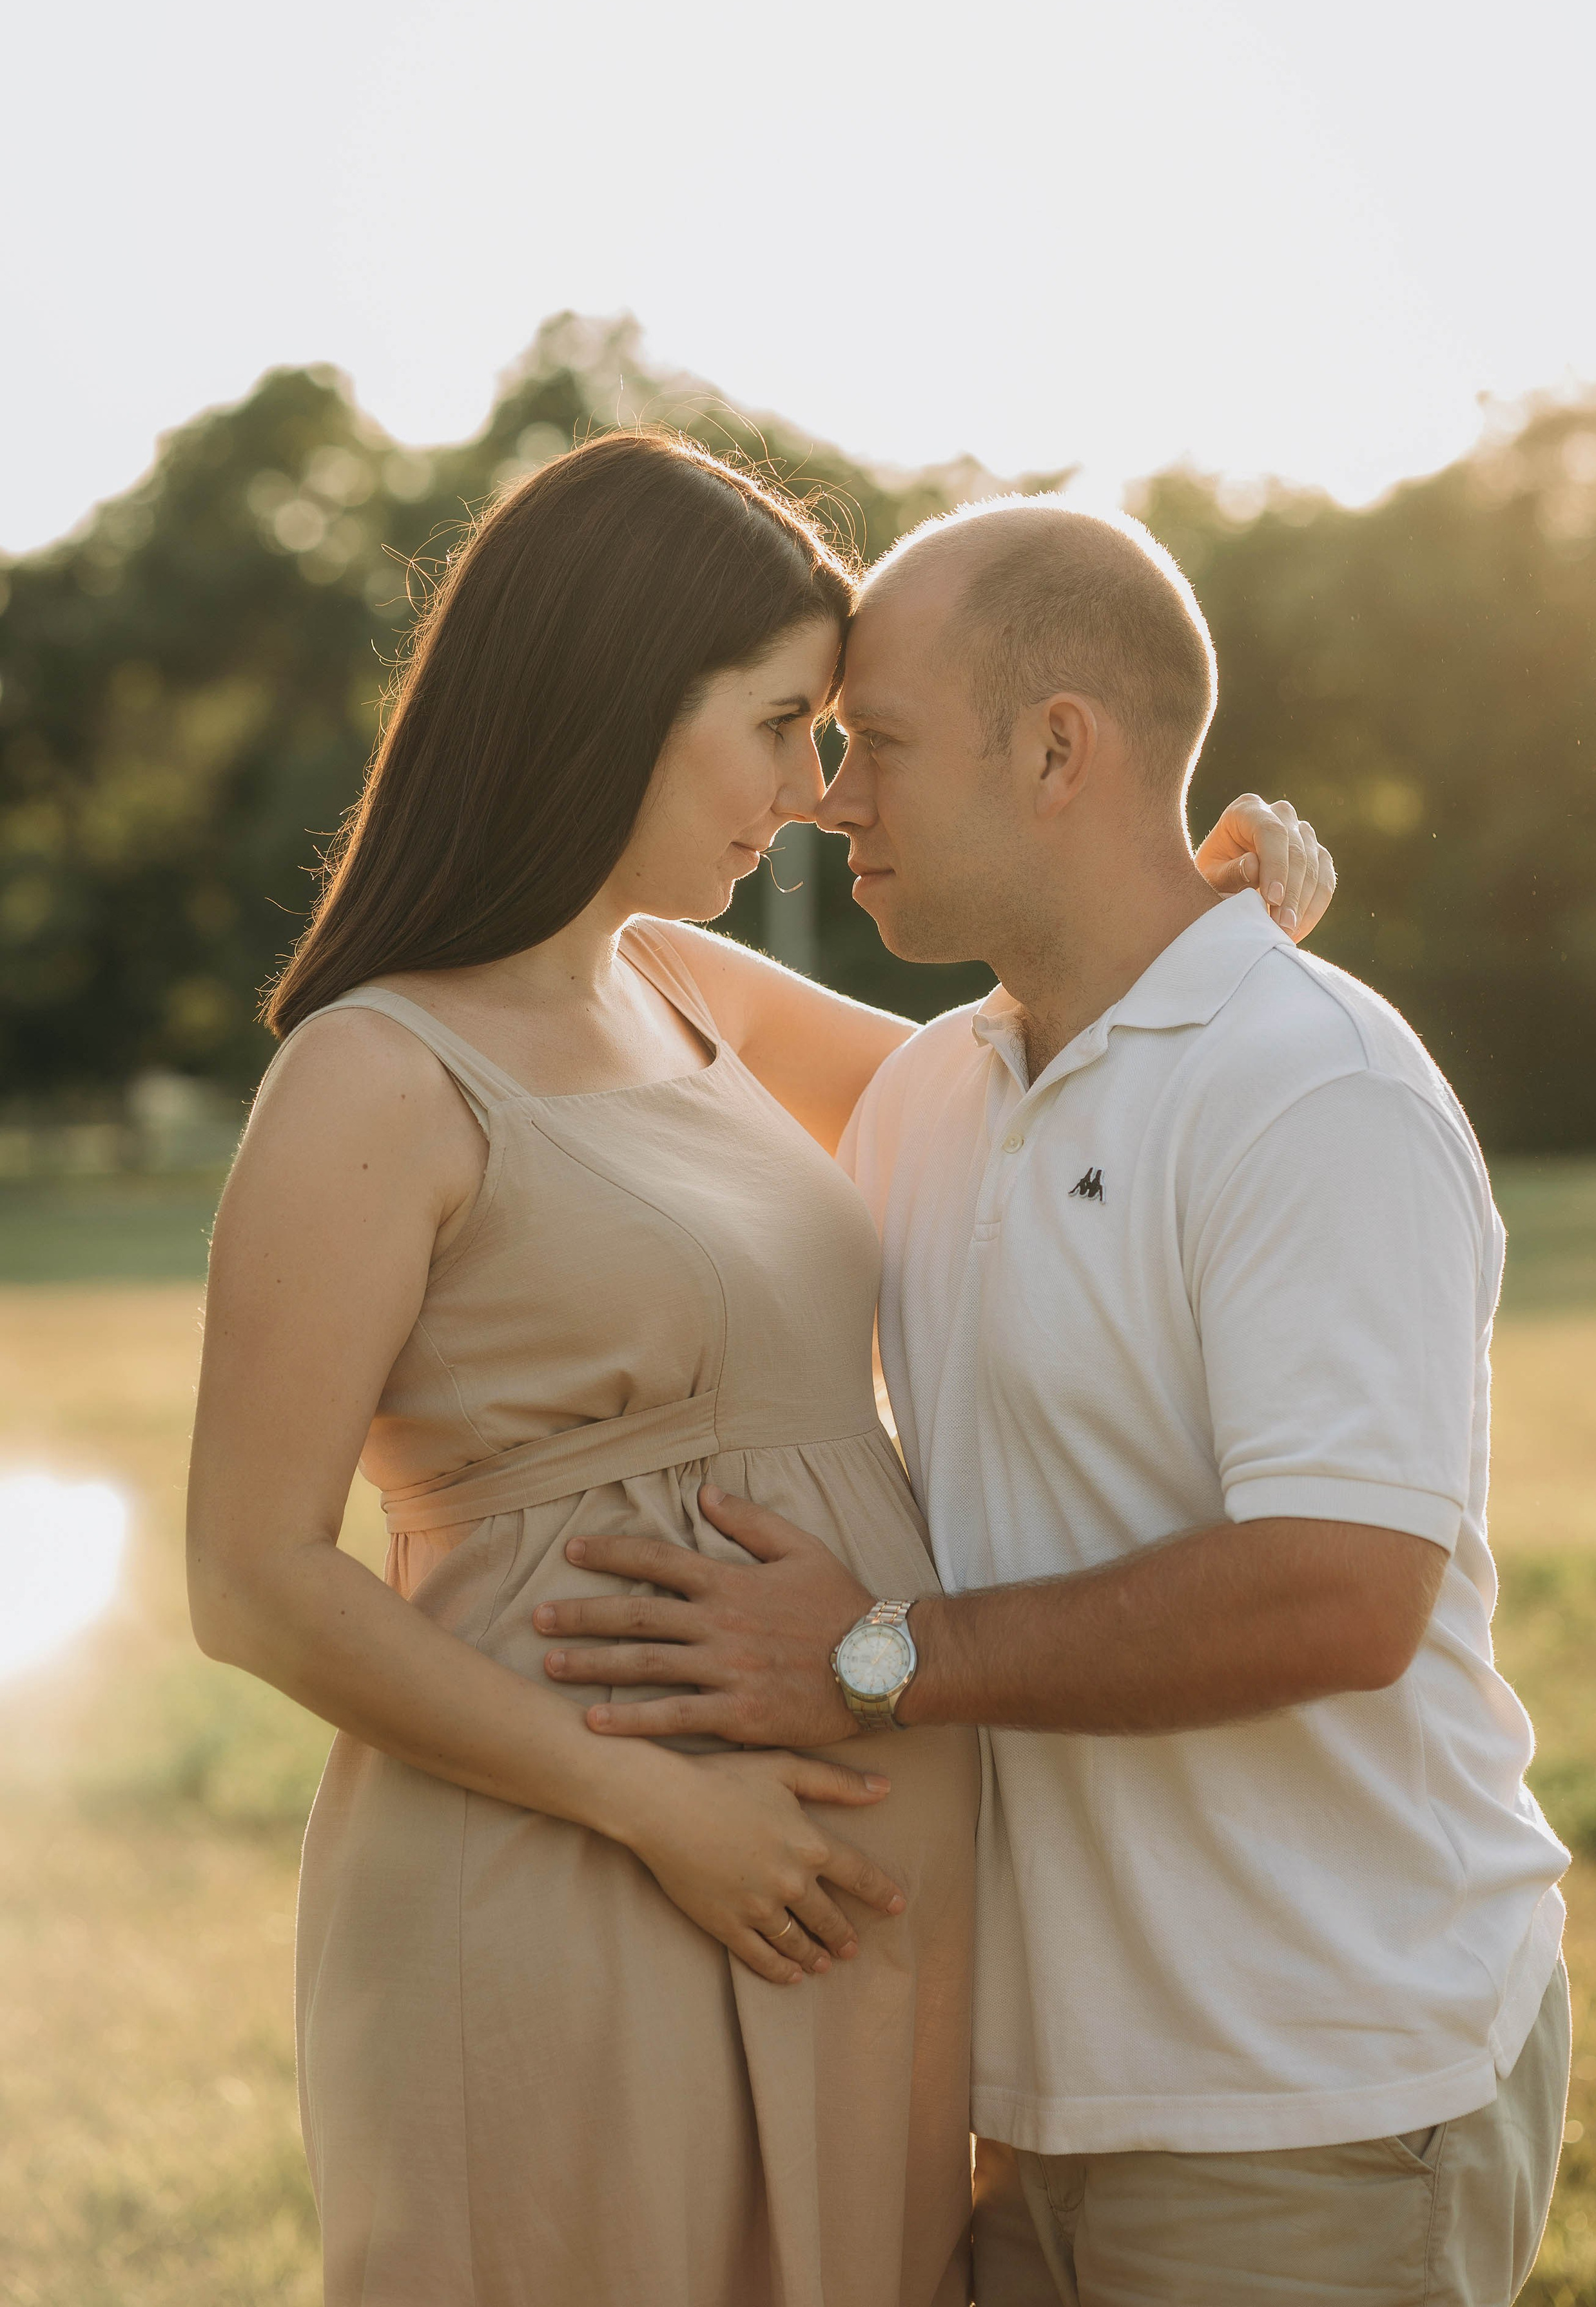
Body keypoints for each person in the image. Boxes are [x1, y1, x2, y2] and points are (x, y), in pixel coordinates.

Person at [185, 430, 1323, 2307]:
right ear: (614, 706)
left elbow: (1023, 1075)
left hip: (833, 1899)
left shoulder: (685, 991)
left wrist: (1191, 908)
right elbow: (251, 1575)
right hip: (575, 1874)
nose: (811, 793)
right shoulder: (377, 1076)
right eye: (780, 724)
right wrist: (654, 1804)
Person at [535, 496, 1573, 2307]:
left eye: (880, 745)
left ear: (1060, 749)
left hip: (1313, 2096)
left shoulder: (1311, 1086)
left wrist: (871, 1655)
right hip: (1033, 2103)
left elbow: (1345, 1589)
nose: (827, 799)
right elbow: (636, 971)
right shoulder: (945, 1086)